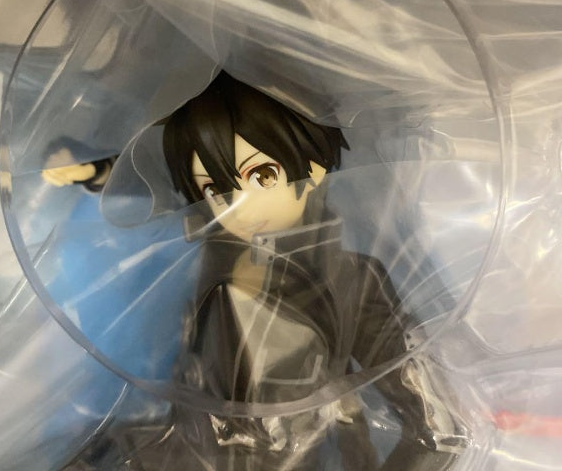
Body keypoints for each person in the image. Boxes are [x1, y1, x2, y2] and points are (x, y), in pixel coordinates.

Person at [52, 71, 462, 470]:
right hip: (180, 447)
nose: (239, 207)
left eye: (262, 176)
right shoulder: (218, 248)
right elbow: (159, 189)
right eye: (214, 189)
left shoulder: (352, 278)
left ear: (314, 167)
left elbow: (439, 430)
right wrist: (97, 171)